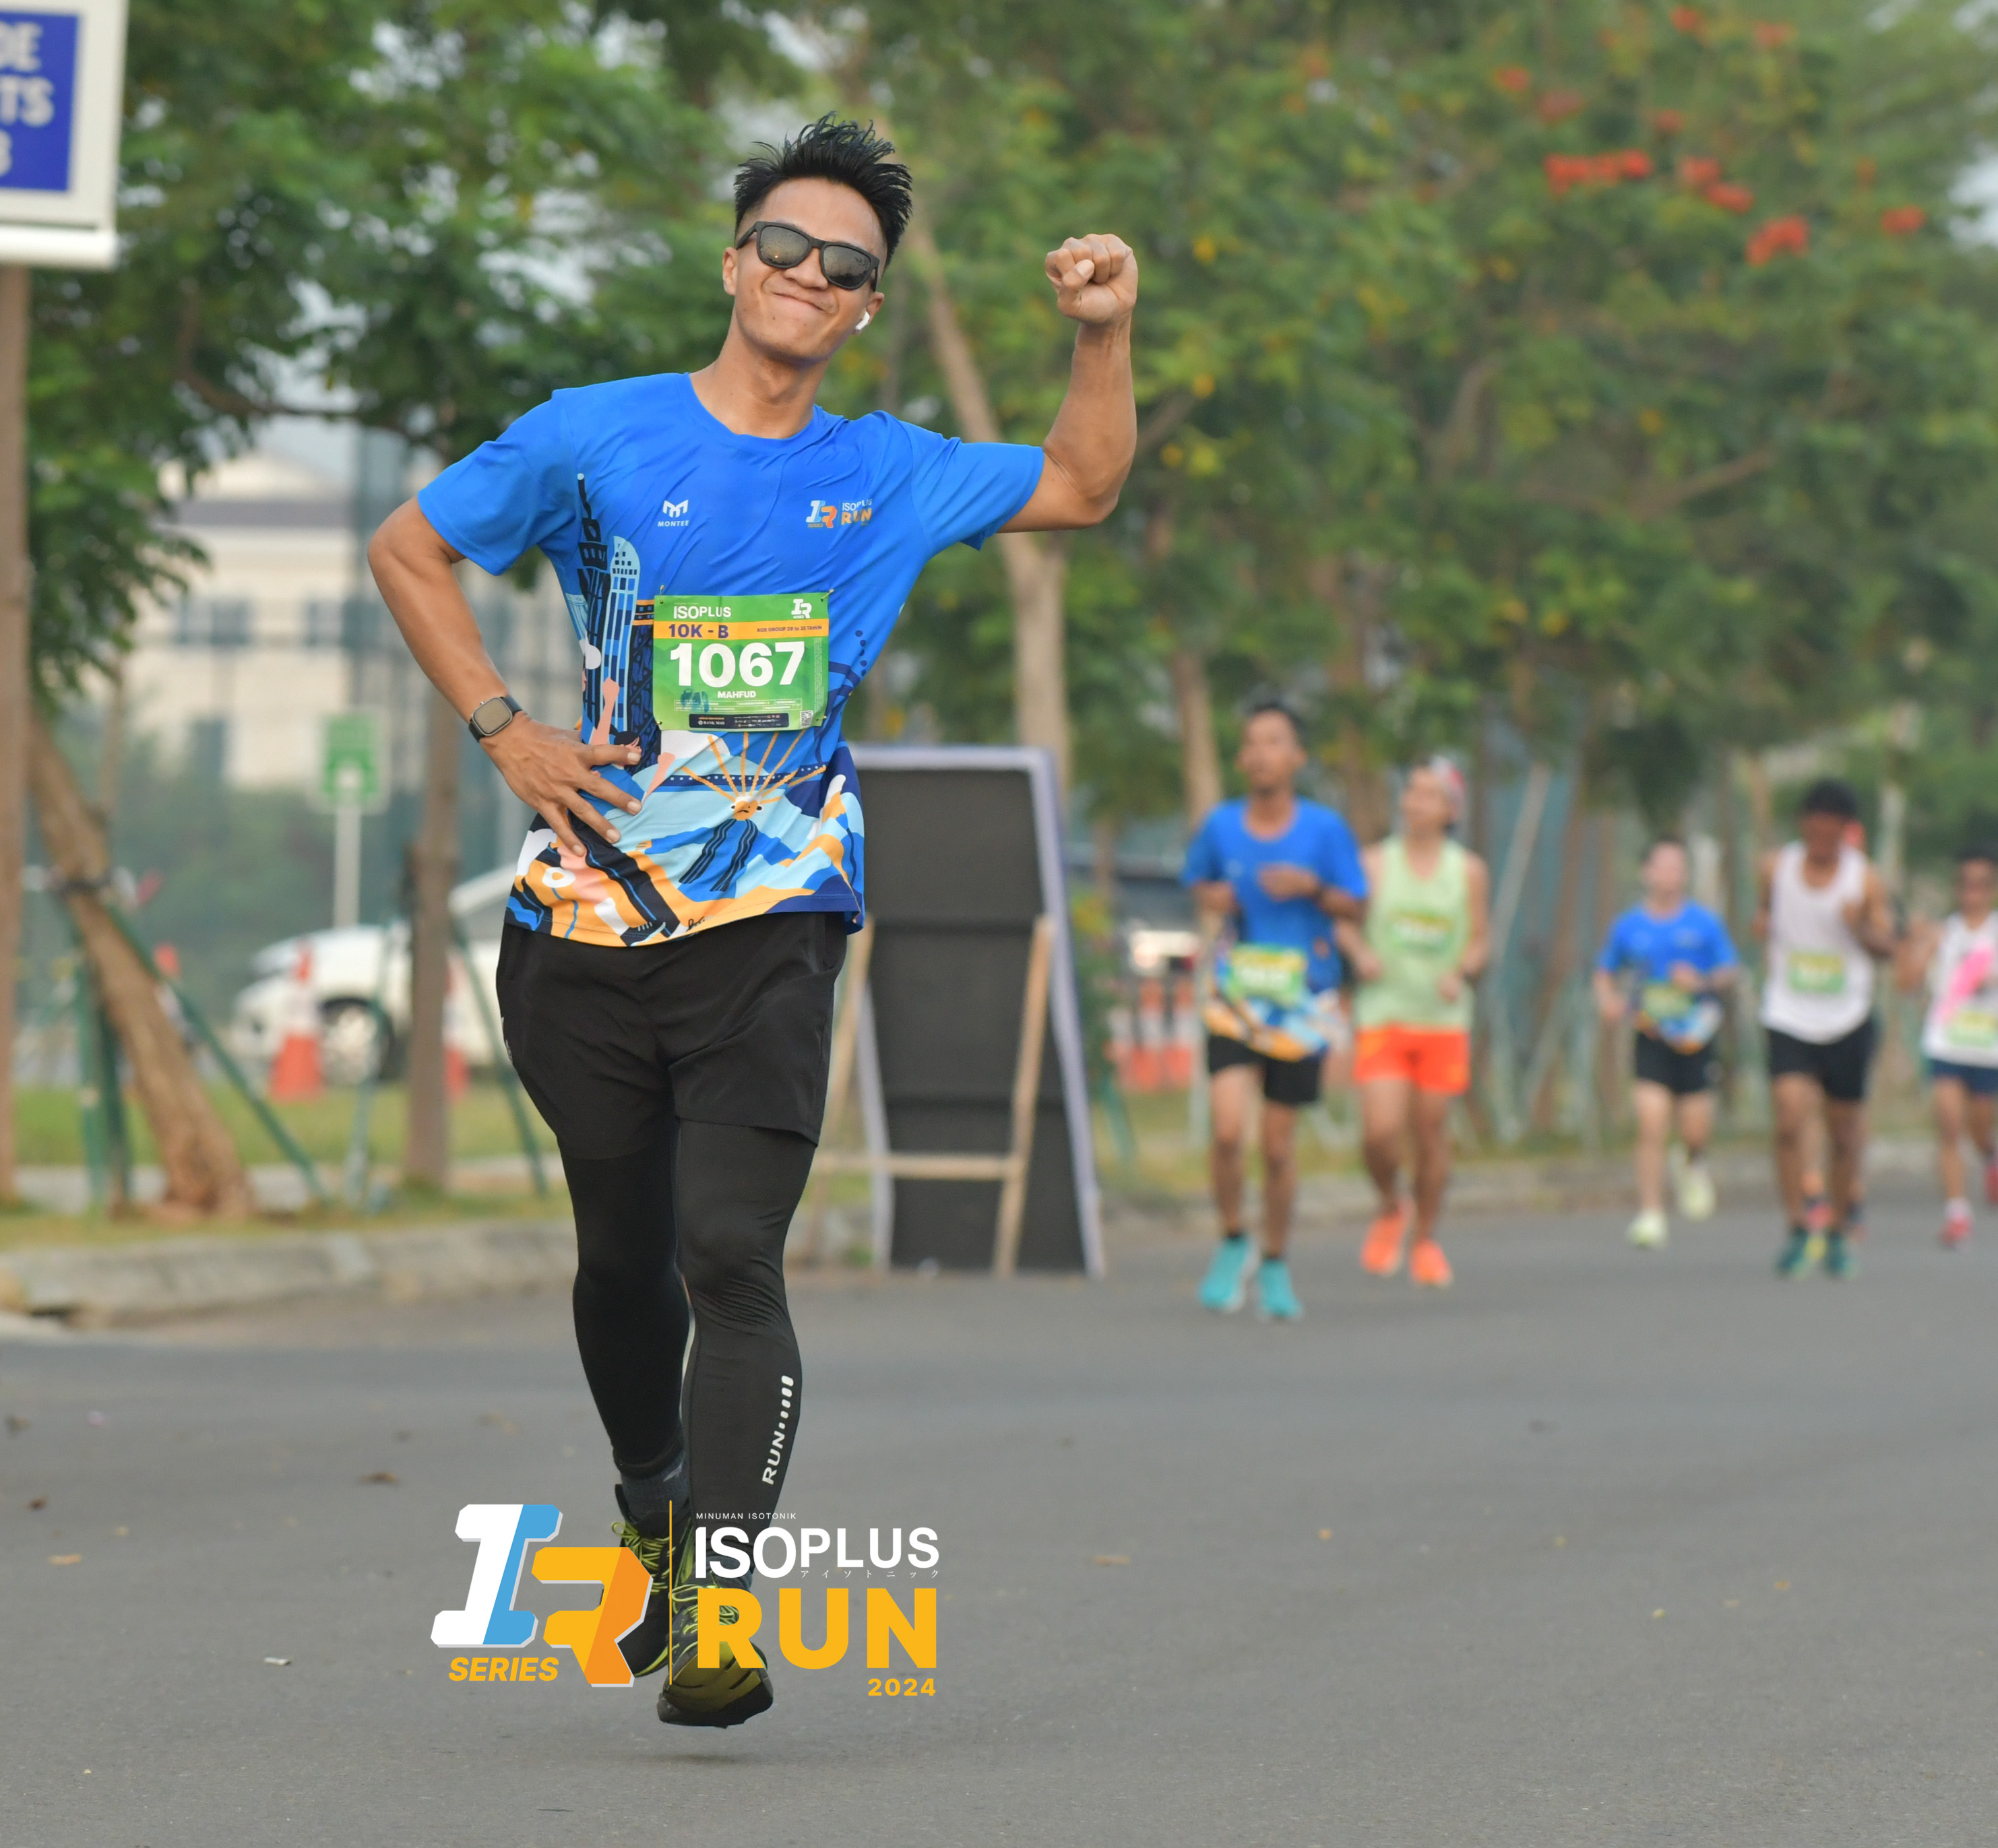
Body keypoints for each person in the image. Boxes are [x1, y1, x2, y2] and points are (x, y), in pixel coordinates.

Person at [367, 117, 1135, 1728]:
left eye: (844, 265)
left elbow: (1079, 481)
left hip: (776, 913)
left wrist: (1101, 331)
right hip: (585, 916)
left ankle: (721, 1597)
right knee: (621, 1254)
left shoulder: (888, 471)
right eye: (783, 245)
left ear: (866, 306)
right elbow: (410, 548)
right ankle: (651, 1498)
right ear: (733, 266)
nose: (808, 273)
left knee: (728, 1248)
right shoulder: (595, 434)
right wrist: (505, 729)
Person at [1184, 701, 1369, 1322]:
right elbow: (1198, 882)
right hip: (1236, 996)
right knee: (1228, 1130)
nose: (1263, 753)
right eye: (1253, 742)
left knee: (1279, 1145)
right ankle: (1232, 1238)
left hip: (1300, 1001)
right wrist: (1215, 896)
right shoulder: (1221, 826)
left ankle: (1275, 1259)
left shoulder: (1325, 830)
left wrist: (1311, 889)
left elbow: (1357, 905)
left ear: (1297, 757)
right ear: (1241, 758)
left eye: (1275, 742)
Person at [1340, 757, 1489, 1288]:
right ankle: (1390, 1205)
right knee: (1380, 1132)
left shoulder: (1467, 871)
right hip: (1384, 1014)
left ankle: (1426, 1238)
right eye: (1412, 791)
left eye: (1430, 795)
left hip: (1442, 1021)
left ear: (1451, 810)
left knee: (1430, 1131)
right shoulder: (1375, 862)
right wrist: (1360, 953)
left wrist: (1462, 972)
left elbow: (1480, 940)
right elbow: (1344, 924)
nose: (1416, 803)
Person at [1756, 779, 1897, 1278]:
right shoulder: (1776, 868)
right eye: (1813, 832)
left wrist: (1859, 927)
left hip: (1846, 1017)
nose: (1821, 842)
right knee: (1789, 1119)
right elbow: (1765, 914)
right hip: (1789, 1013)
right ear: (1802, 826)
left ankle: (1838, 1228)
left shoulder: (1865, 879)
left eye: (1831, 834)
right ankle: (1799, 1224)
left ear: (1845, 832)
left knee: (1844, 1135)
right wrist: (1762, 926)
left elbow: (1888, 947)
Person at [1591, 835, 1742, 1250]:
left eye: (1678, 867)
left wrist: (1701, 981)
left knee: (1695, 1128)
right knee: (1651, 1123)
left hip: (1696, 1038)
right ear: (1646, 872)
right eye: (1663, 866)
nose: (1670, 875)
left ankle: (1692, 1161)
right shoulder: (1628, 926)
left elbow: (1730, 971)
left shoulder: (1704, 924)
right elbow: (1604, 972)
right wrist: (1608, 1001)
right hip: (1651, 1035)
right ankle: (1651, 1212)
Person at [1898, 850, 1998, 1250]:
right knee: (1948, 1124)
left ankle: (1991, 1156)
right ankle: (1957, 1213)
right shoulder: (1943, 933)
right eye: (1965, 884)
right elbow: (1907, 983)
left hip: (1989, 1048)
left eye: (1981, 885)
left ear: (1993, 890)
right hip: (1946, 1043)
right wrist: (1912, 943)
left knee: (1980, 1128)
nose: (1972, 893)